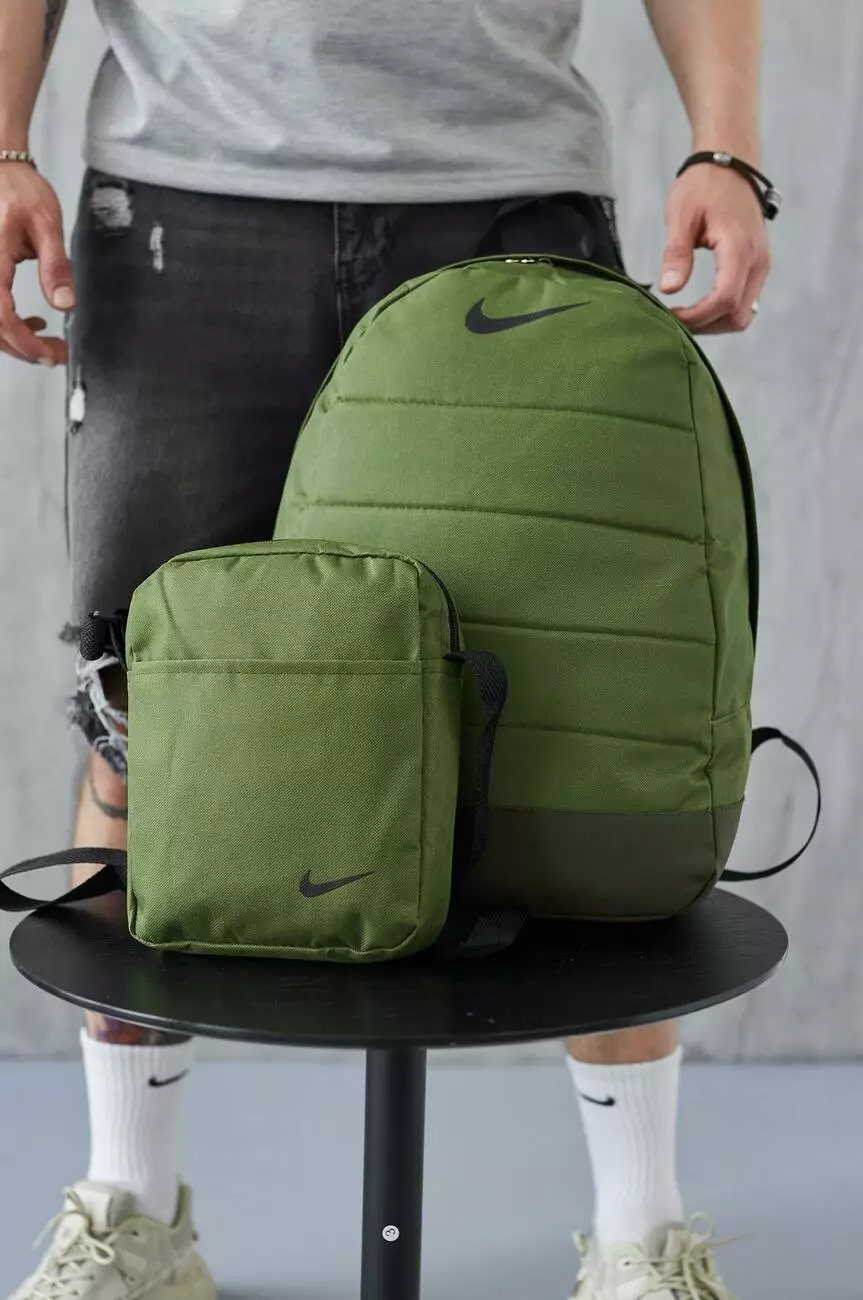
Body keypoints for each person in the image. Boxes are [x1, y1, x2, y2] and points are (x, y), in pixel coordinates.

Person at [1, 2, 772, 1298]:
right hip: (190, 193)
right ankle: (132, 1220)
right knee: (148, 718)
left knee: (584, 736)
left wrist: (727, 146)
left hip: (502, 193)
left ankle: (642, 1237)